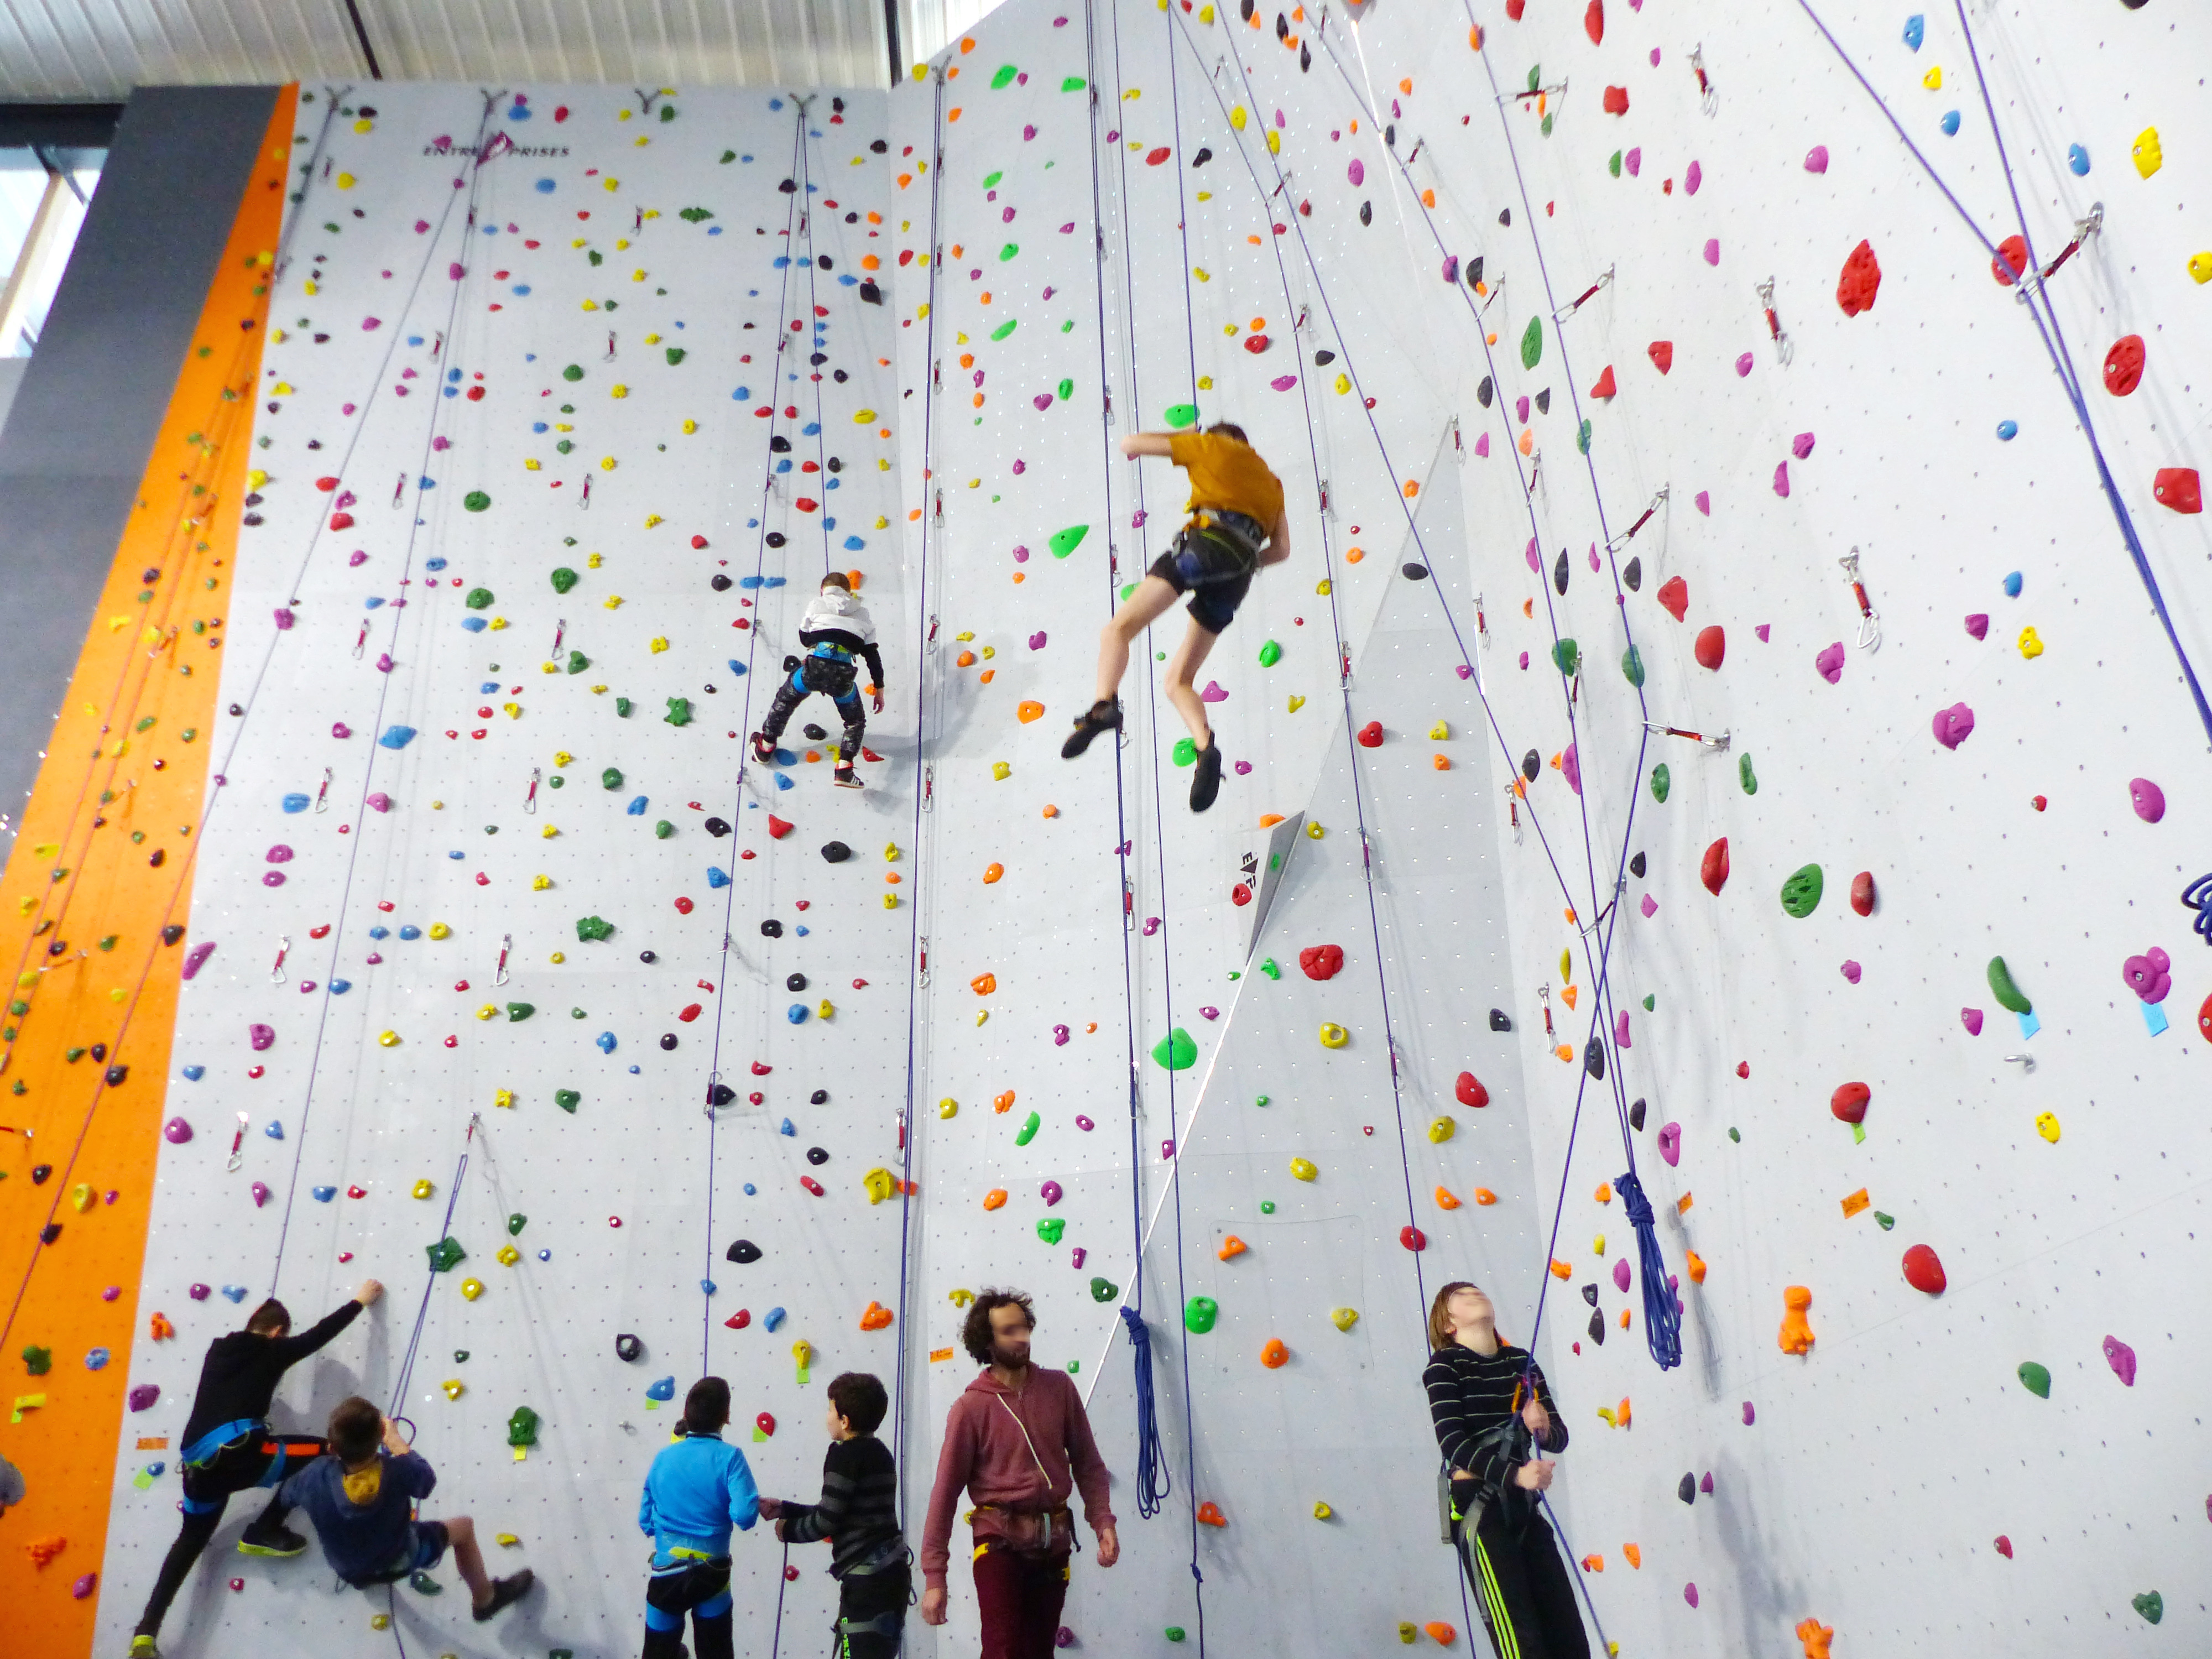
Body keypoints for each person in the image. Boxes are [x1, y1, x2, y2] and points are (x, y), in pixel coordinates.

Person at [128, 1280, 383, 1658]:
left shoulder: (218, 1351)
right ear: (277, 1333)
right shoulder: (272, 1349)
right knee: (328, 1451)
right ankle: (265, 1527)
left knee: (190, 1540)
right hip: (240, 1452)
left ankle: (146, 1632)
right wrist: (360, 1302)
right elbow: (318, 1336)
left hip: (198, 1467)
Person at [1061, 421, 1290, 812]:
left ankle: (1103, 706)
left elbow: (1129, 443)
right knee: (1179, 681)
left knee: (1118, 631)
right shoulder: (1273, 484)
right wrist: (1243, 562)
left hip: (1205, 546)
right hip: (1239, 573)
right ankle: (1206, 749)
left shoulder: (1208, 446)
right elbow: (1281, 550)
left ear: (1214, 438)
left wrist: (1181, 432)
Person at [920, 1289, 1117, 1658]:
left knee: (1039, 1651)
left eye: (1024, 1327)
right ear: (988, 1340)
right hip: (999, 1542)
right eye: (1009, 1331)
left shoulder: (1059, 1388)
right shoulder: (970, 1408)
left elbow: (1088, 1463)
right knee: (1003, 1650)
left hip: (1053, 1541)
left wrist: (1102, 1520)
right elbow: (944, 1494)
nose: (1021, 1338)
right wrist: (935, 1577)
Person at [1425, 1281, 1589, 1659]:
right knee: (1520, 1639)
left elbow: (1559, 1437)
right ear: (1449, 1324)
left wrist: (1542, 1427)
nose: (1476, 1294)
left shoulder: (1521, 1363)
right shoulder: (1445, 1366)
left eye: (1478, 1291)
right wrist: (1517, 1475)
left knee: (1567, 1631)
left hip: (1523, 1506)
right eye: (1463, 1296)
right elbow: (1454, 1446)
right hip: (1482, 1509)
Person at [281, 1396, 533, 1621]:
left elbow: (287, 1497)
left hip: (347, 1568)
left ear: (332, 1448)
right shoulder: (398, 1472)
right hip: (398, 1560)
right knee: (464, 1527)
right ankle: (485, 1599)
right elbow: (426, 1481)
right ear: (381, 1435)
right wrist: (396, 1441)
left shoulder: (312, 1476)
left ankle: (365, 1580)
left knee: (358, 1549)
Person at [759, 1371, 907, 1657]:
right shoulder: (880, 1453)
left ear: (845, 1421)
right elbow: (844, 1513)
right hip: (890, 1572)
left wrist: (788, 1530)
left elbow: (827, 1521)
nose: (827, 1417)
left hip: (867, 1580)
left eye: (830, 1410)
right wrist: (786, 1509)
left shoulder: (844, 1455)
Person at [635, 1375, 761, 1659]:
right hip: (711, 1574)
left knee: (657, 1653)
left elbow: (645, 1521)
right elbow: (744, 1516)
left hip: (666, 1572)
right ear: (726, 1416)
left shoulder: (663, 1457)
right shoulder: (731, 1457)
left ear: (686, 1414)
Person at [752, 571, 886, 790]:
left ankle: (765, 747)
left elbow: (805, 639)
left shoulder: (816, 603)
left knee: (786, 700)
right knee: (855, 722)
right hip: (843, 676)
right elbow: (872, 654)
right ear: (848, 592)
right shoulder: (862, 613)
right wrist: (879, 687)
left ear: (823, 590)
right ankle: (844, 770)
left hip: (814, 669)